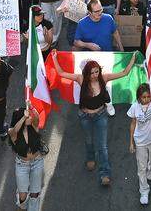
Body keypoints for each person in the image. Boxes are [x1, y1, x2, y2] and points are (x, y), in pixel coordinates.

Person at [54, 56, 137, 185]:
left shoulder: (104, 78)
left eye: (96, 71)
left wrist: (133, 58)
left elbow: (124, 73)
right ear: (87, 73)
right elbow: (61, 73)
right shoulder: (80, 79)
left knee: (102, 146)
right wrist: (54, 58)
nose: (94, 75)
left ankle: (105, 174)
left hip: (100, 115)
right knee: (89, 140)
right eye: (91, 72)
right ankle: (90, 157)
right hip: (85, 116)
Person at [128, 83, 151, 206]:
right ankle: (144, 191)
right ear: (139, 97)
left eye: (148, 96)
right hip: (140, 141)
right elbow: (133, 123)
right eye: (143, 97)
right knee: (141, 168)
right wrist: (131, 142)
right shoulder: (134, 107)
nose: (146, 99)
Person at [8, 107, 45, 211]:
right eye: (27, 117)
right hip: (22, 165)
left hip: (37, 162)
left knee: (35, 193)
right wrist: (24, 118)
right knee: (23, 195)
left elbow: (37, 118)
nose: (30, 118)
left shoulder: (33, 126)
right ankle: (22, 207)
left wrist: (32, 108)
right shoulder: (12, 132)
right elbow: (14, 130)